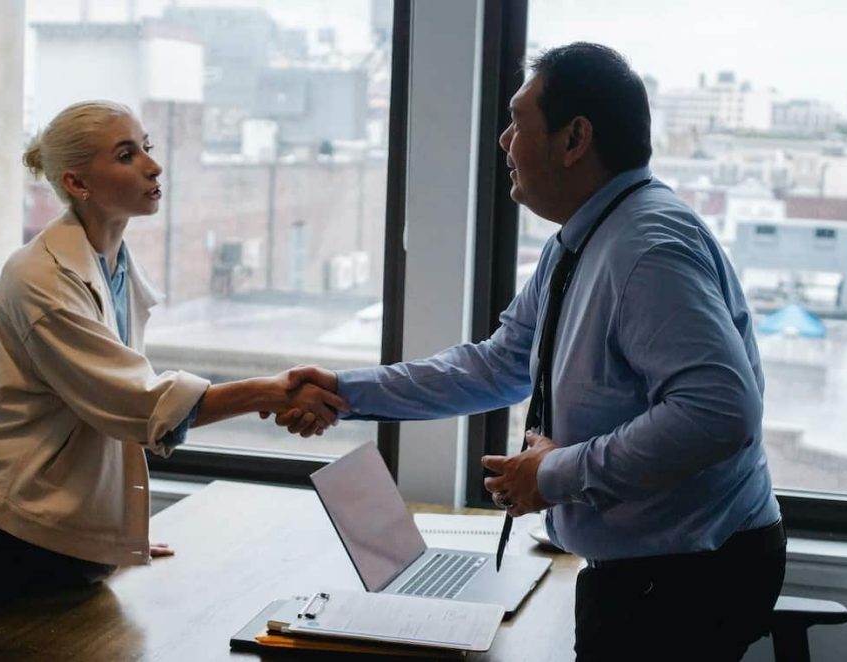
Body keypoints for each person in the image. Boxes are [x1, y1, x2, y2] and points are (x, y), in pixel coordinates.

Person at [268, 43, 785, 661]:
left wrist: (553, 474)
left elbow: (718, 413)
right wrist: (343, 392)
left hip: (683, 578)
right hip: (652, 568)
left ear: (574, 140)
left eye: (518, 123)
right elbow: (500, 364)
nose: (504, 141)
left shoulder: (647, 249)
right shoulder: (581, 240)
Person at [0, 100, 348, 646]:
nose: (153, 166)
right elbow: (134, 404)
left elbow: (107, 411)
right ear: (77, 181)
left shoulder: (111, 264)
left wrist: (114, 533)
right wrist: (271, 391)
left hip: (48, 530)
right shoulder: (40, 279)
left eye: (147, 148)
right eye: (126, 154)